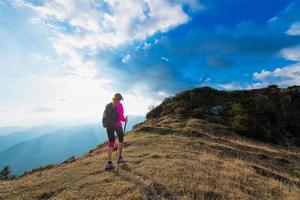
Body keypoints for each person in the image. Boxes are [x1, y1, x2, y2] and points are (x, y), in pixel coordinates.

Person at [103, 93, 128, 171]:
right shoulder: (119, 105)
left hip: (109, 126)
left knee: (111, 143)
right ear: (117, 99)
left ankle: (109, 163)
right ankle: (119, 158)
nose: (120, 101)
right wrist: (125, 120)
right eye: (120, 99)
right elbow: (121, 117)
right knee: (121, 141)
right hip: (117, 125)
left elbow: (104, 116)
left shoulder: (107, 105)